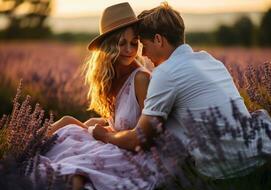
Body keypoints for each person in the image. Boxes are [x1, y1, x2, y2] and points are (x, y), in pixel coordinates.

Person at [92, 2, 271, 180]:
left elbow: (139, 139)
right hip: (258, 152)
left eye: (143, 45)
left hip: (223, 169)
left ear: (158, 40)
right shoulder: (211, 61)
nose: (143, 54)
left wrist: (105, 136)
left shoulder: (165, 73)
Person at [38, 2, 161, 190]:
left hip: (133, 154)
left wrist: (107, 134)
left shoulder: (140, 78)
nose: (129, 50)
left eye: (134, 42)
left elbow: (146, 136)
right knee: (66, 123)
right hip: (114, 142)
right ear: (109, 46)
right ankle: (16, 149)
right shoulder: (113, 76)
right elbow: (121, 118)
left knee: (74, 169)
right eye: (122, 43)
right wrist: (102, 123)